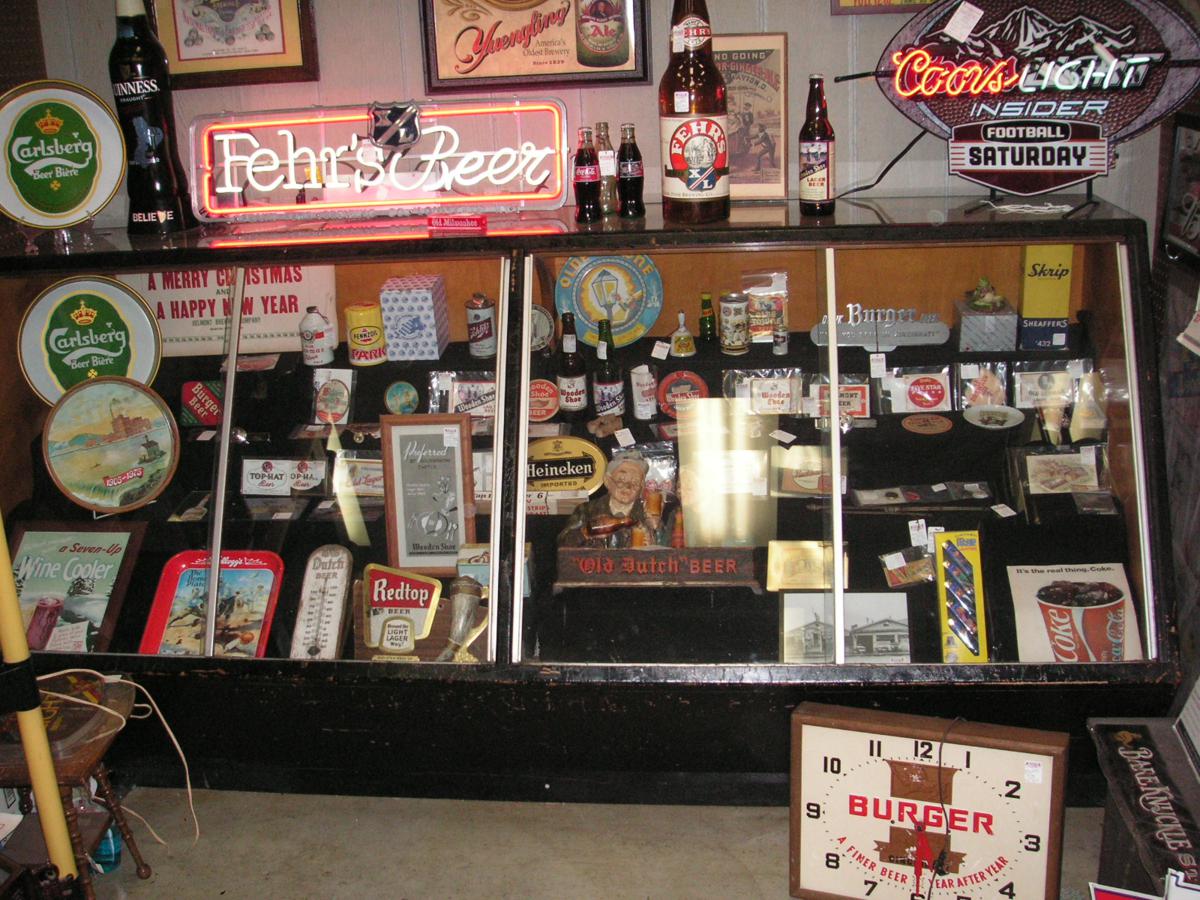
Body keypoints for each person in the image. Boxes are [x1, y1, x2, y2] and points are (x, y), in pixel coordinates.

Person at [557, 450, 669, 548]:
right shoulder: (586, 510)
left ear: (642, 487)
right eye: (621, 480)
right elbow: (562, 544)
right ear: (607, 481)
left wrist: (655, 535)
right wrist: (585, 532)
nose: (628, 487)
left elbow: (667, 550)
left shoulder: (647, 514)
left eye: (635, 482)